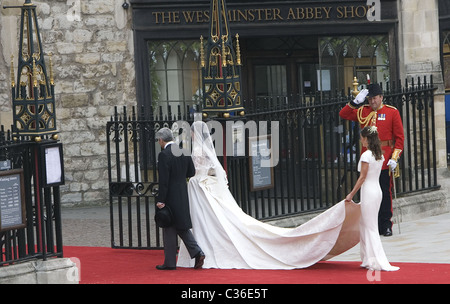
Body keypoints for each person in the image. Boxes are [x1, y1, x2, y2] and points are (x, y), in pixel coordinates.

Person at [176, 121, 361, 269]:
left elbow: (197, 170)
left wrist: (194, 178)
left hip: (200, 187)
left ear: (194, 134)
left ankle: (203, 247)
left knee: (208, 222)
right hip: (206, 187)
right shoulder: (207, 150)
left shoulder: (197, 151)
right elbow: (215, 171)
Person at [339, 83, 404, 236]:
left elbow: (399, 138)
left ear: (381, 97)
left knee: (384, 192)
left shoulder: (391, 112)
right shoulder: (362, 111)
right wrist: (355, 102)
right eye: (369, 99)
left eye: (374, 98)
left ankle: (386, 224)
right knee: (367, 192)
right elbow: (343, 114)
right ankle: (371, 223)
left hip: (384, 158)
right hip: (368, 157)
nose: (372, 102)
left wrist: (394, 157)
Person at [345, 126, 399, 271]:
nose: (361, 140)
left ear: (367, 139)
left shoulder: (366, 155)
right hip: (377, 191)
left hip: (369, 191)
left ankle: (376, 259)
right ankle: (367, 259)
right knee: (365, 224)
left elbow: (362, 177)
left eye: (362, 138)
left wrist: (351, 194)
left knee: (369, 226)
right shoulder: (379, 154)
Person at [155, 127, 205, 270]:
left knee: (168, 228)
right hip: (182, 193)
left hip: (170, 196)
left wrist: (161, 200)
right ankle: (197, 252)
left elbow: (164, 180)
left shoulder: (164, 155)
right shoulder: (184, 151)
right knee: (181, 227)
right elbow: (191, 171)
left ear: (161, 140)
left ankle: (170, 262)